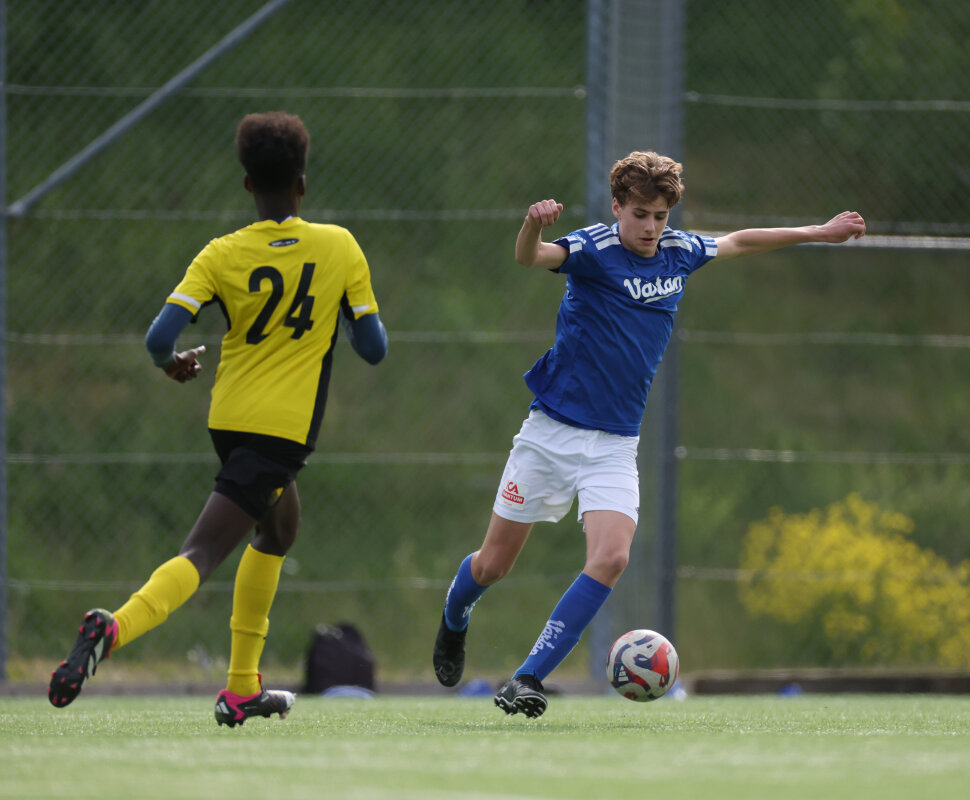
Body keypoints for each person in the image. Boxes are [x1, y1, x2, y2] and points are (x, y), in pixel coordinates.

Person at [432, 150, 865, 717]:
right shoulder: (593, 249)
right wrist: (533, 225)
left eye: (660, 216)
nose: (650, 227)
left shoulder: (679, 253)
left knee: (612, 557)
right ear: (617, 207)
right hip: (550, 435)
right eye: (640, 214)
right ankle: (455, 617)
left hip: (614, 444)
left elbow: (739, 241)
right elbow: (529, 257)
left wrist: (818, 232)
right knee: (492, 565)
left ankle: (527, 678)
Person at [47, 111, 388, 727]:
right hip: (281, 431)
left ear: (247, 184)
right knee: (202, 552)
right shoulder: (339, 246)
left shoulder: (221, 253)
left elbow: (159, 339)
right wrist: (339, 310)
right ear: (303, 183)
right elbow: (374, 348)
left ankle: (241, 689)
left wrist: (172, 363)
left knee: (279, 530)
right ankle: (112, 627)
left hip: (229, 419)